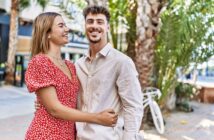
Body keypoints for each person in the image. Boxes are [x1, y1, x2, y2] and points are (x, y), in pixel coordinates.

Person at [25, 12, 118, 140]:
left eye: (66, 25)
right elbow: (55, 109)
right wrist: (97, 118)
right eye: (61, 25)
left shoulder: (70, 66)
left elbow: (76, 99)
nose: (67, 29)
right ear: (48, 33)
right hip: (45, 134)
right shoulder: (40, 62)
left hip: (68, 134)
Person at [75, 5, 144, 140]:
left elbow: (133, 107)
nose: (94, 26)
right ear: (85, 26)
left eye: (100, 22)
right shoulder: (78, 64)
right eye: (90, 21)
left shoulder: (122, 62)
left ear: (108, 27)